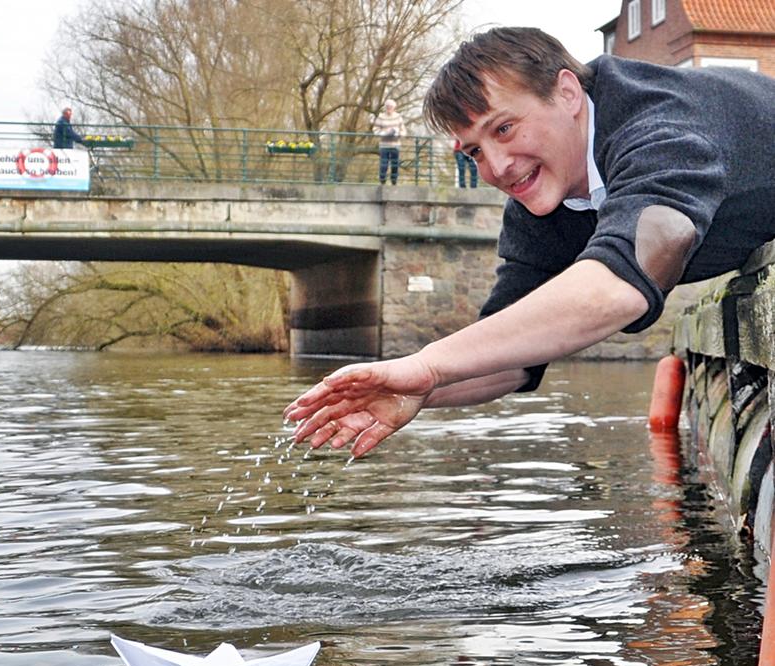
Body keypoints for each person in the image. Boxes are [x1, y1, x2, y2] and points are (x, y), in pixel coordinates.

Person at [285, 26, 775, 459]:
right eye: (475, 151)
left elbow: (622, 283)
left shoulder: (659, 129)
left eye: (504, 128)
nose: (497, 167)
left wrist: (430, 363)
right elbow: (511, 357)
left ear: (567, 92)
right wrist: (414, 389)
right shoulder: (538, 205)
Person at [372, 99, 405, 185]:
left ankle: (394, 181)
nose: (389, 108)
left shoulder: (398, 117)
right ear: (385, 107)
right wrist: (384, 133)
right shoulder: (381, 117)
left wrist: (397, 133)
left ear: (394, 108)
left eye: (391, 107)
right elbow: (375, 130)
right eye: (387, 107)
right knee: (384, 164)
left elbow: (403, 131)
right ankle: (382, 180)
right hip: (384, 144)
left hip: (395, 144)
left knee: (395, 164)